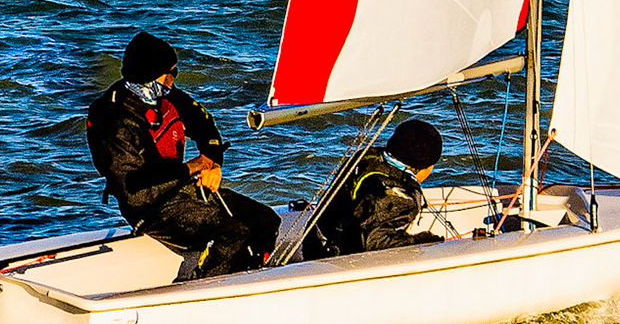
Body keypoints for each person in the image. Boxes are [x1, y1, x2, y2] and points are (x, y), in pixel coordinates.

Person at [86, 31, 282, 280]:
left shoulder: (167, 95)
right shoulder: (113, 118)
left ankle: (252, 277)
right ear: (146, 76)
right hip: (150, 208)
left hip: (184, 189)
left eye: (174, 73)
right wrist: (192, 167)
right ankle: (207, 287)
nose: (172, 81)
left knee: (266, 220)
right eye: (167, 74)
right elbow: (135, 193)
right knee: (234, 232)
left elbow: (205, 126)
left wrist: (212, 163)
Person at [303, 115, 444, 260]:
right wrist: (419, 241)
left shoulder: (367, 157)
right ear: (422, 167)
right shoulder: (400, 198)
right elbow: (374, 242)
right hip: (335, 260)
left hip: (313, 243)